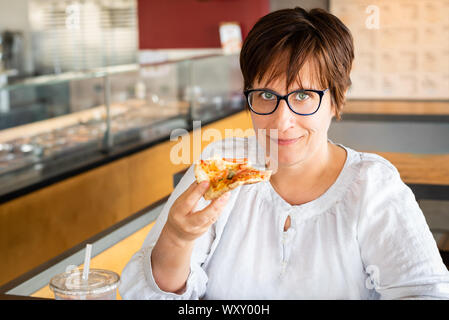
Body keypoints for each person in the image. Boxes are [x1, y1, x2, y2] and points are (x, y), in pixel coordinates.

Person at [119, 7, 449, 299]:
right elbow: (146, 294)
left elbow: (424, 291)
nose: (281, 120)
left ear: (337, 99)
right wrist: (177, 239)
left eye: (303, 95)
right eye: (265, 94)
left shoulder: (373, 186)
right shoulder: (222, 163)